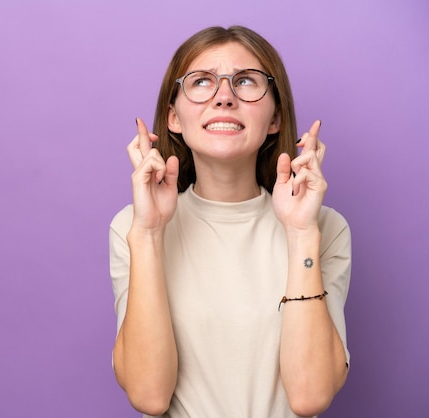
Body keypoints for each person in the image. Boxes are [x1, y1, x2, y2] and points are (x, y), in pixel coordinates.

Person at [109, 26, 351, 418]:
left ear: (274, 118)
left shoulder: (325, 227)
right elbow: (149, 396)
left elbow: (310, 397)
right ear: (173, 117)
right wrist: (149, 234)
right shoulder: (133, 226)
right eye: (202, 82)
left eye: (245, 82)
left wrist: (302, 234)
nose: (224, 97)